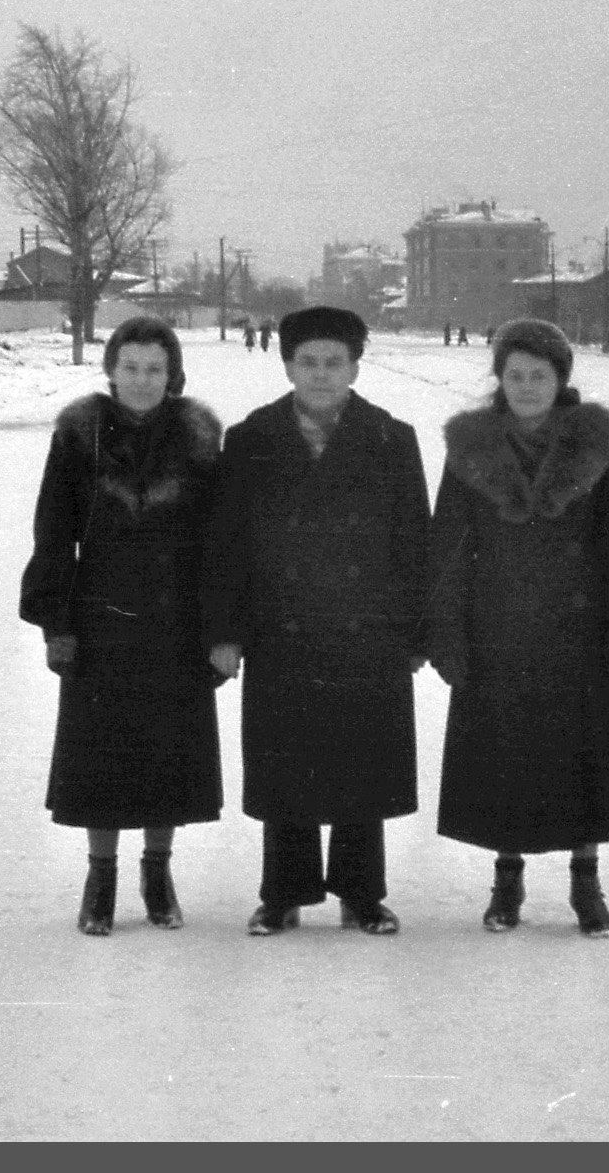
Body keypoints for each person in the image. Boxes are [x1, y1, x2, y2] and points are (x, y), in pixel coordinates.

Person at [428, 318, 609, 937]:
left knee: (583, 760)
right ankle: (507, 882)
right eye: (515, 375)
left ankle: (586, 885)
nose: (527, 386)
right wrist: (447, 637)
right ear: (498, 379)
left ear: (561, 379)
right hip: (497, 633)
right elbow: (446, 550)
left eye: (540, 375)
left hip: (580, 633)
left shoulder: (599, 448)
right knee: (506, 758)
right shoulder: (470, 449)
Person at [205, 306, 430, 937]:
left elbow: (415, 542)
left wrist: (416, 632)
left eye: (335, 362)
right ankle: (284, 892)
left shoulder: (392, 437)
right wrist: (225, 631)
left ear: (357, 365)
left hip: (367, 631)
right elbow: (227, 544)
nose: (322, 374)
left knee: (363, 762)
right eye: (309, 362)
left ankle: (362, 894)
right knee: (287, 763)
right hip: (284, 629)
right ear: (287, 366)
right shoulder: (251, 439)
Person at [19, 316, 225, 935]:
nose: (142, 380)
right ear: (110, 372)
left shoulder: (198, 441)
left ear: (173, 374)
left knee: (167, 753)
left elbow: (217, 542)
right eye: (131, 367)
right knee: (99, 757)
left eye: (154, 369)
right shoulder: (78, 437)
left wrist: (218, 630)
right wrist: (57, 622)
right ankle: (100, 877)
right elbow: (53, 533)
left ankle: (157, 872)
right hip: (100, 618)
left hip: (174, 621)